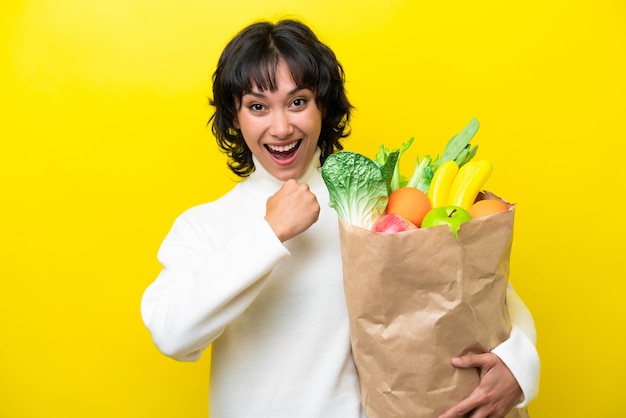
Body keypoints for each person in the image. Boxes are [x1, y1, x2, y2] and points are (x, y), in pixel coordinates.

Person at [140, 19, 540, 418]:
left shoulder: (373, 204)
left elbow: (484, 293)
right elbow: (172, 334)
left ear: (323, 106)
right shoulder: (205, 225)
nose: (281, 128)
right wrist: (269, 232)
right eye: (258, 106)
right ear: (234, 116)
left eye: (298, 102)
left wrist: (518, 365)